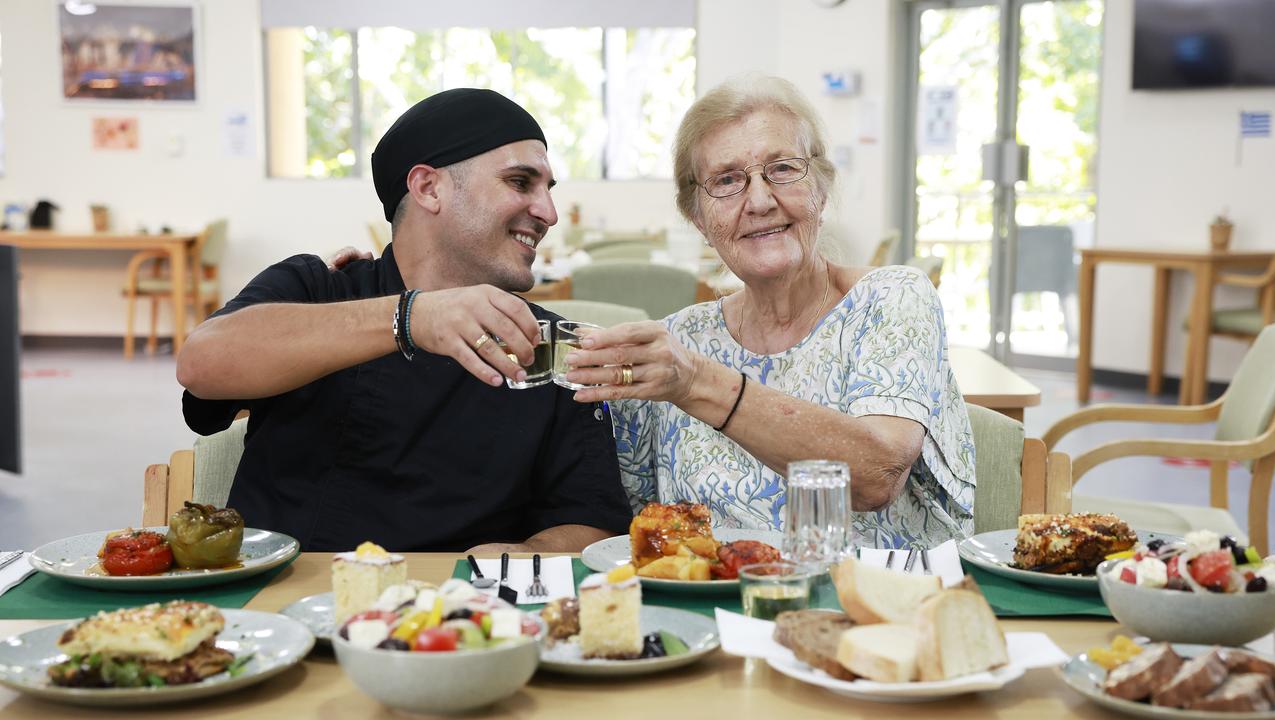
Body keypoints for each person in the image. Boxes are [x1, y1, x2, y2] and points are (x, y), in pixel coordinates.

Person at [176, 88, 633, 554]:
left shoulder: (545, 343)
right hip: (286, 605)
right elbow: (201, 363)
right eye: (520, 182)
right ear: (429, 188)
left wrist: (523, 554)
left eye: (547, 191)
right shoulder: (319, 289)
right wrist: (410, 318)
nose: (549, 213)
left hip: (460, 613)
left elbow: (591, 521)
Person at [563, 77, 975, 549]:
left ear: (820, 190)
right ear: (698, 219)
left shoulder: (890, 298)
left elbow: (876, 475)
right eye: (727, 181)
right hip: (713, 612)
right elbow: (630, 523)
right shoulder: (680, 340)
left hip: (880, 610)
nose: (759, 201)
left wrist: (698, 383)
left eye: (781, 169)